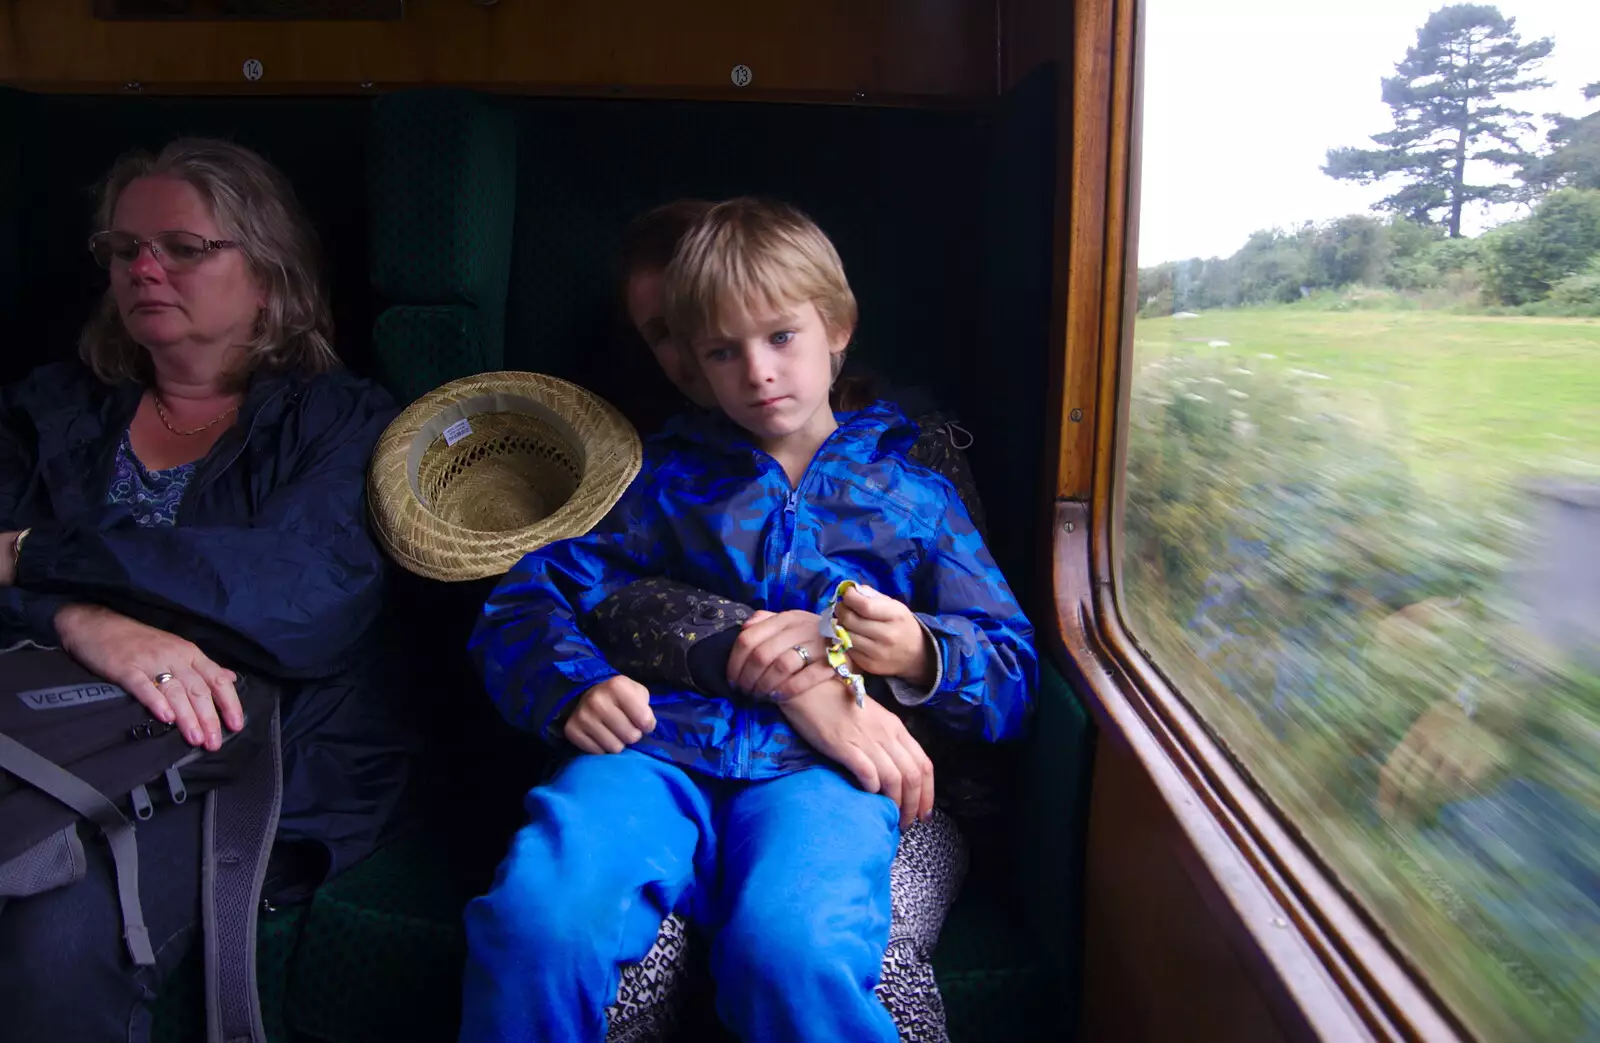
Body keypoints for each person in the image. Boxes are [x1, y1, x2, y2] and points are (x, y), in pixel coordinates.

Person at [460, 197, 1036, 1042]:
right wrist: (569, 684)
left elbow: (1013, 671)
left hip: (821, 773)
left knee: (793, 951)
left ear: (836, 326)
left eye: (780, 337)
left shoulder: (913, 495)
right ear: (690, 365)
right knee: (538, 920)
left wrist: (922, 648)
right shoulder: (656, 481)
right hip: (652, 752)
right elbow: (526, 597)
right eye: (721, 352)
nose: (757, 373)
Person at [0, 138, 410, 1043]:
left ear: (268, 275)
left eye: (184, 247)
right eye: (123, 248)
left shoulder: (337, 420)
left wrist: (39, 556)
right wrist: (81, 619)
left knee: (49, 932)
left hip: (239, 752)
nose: (144, 267)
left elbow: (298, 606)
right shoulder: (50, 408)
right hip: (42, 725)